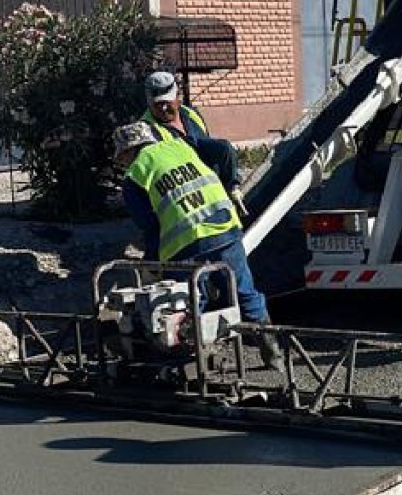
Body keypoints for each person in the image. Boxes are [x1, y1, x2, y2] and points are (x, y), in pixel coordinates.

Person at [112, 121, 284, 372]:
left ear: (128, 151)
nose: (123, 162)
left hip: (186, 242)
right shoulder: (179, 146)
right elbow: (223, 149)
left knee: (187, 302)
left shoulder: (135, 175)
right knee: (244, 292)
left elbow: (150, 226)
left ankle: (193, 363)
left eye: (122, 157)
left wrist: (152, 264)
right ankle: (273, 356)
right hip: (226, 228)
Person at [140, 71, 247, 218]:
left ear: (177, 97)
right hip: (186, 193)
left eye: (166, 102)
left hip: (212, 185)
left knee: (223, 147)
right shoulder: (147, 131)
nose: (163, 108)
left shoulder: (190, 114)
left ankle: (232, 196)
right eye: (157, 105)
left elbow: (210, 146)